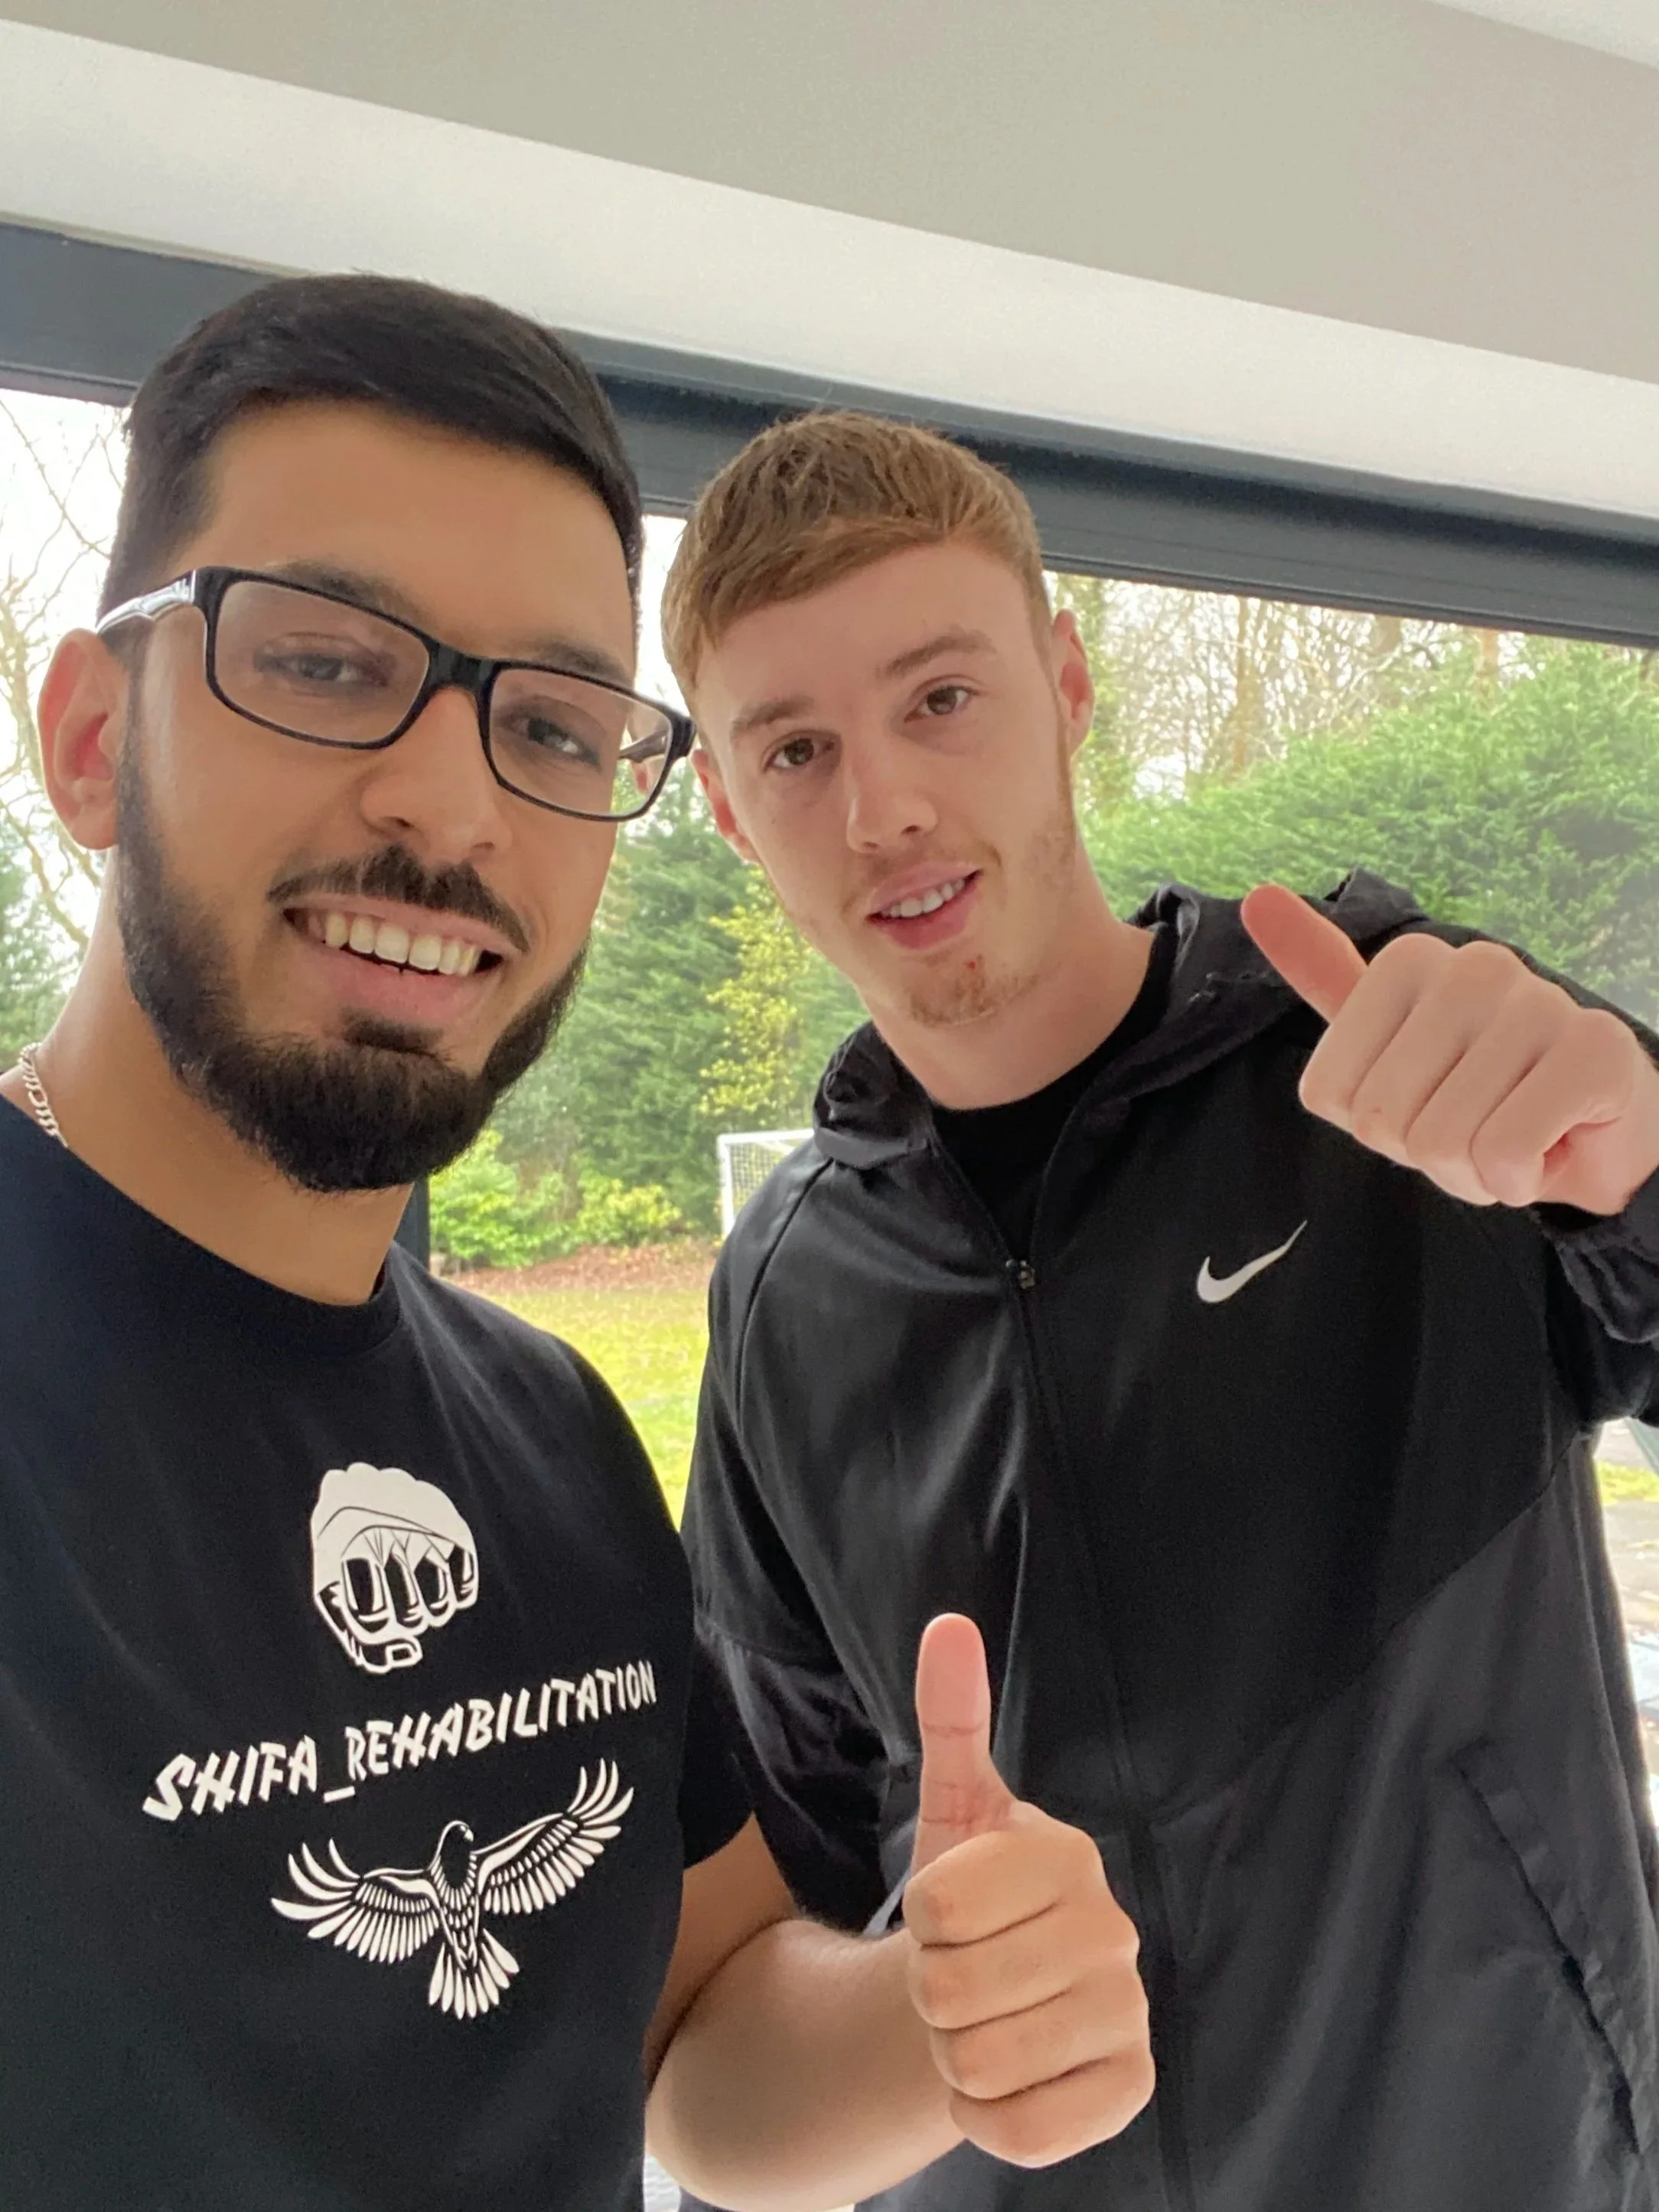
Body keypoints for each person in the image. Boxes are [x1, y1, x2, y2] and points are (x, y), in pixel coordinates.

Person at [0, 285, 1155, 2212]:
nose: (451, 804)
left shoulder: (548, 1437)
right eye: (326, 662)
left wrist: (940, 2017)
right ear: (95, 739)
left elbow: (692, 2040)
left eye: (546, 720)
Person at [661, 409, 1659, 2212]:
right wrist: (927, 2003)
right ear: (729, 810)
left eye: (940, 697)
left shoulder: (1391, 1063)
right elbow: (788, 1891)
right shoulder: (780, 1295)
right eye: (795, 748)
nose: (881, 806)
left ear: (1064, 685)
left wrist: (1642, 1153)